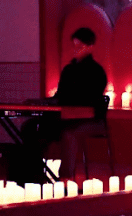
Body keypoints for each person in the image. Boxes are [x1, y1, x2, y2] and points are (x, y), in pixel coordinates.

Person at [21, 27, 108, 181]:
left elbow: (89, 101)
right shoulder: (68, 70)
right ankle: (34, 173)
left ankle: (65, 178)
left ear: (90, 47)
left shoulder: (97, 72)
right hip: (65, 118)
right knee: (30, 126)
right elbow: (59, 96)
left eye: (79, 46)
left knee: (68, 133)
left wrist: (64, 104)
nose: (75, 50)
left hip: (89, 120)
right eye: (74, 46)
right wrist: (41, 102)